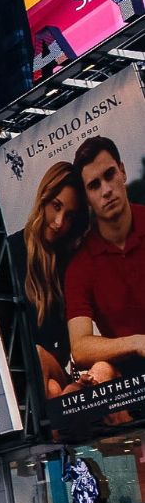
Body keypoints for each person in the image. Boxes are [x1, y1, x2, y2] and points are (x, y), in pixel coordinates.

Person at [65, 137, 145, 389]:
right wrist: (138, 343)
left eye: (110, 175)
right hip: (131, 384)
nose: (106, 190)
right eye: (94, 185)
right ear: (87, 197)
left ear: (122, 171)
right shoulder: (80, 266)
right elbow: (80, 347)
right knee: (99, 371)